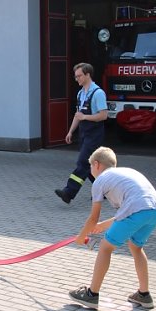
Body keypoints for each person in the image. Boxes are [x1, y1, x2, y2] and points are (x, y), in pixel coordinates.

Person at [69, 146, 156, 310]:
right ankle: (144, 294)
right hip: (155, 210)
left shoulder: (100, 180)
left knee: (105, 248)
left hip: (137, 210)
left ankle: (92, 295)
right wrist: (101, 226)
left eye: (91, 166)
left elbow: (93, 217)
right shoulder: (126, 173)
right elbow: (130, 212)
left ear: (97, 164)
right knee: (136, 246)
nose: (90, 170)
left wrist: (80, 236)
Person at [55, 62, 108, 204]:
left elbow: (103, 115)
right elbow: (78, 115)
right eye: (75, 76)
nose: (76, 79)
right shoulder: (80, 93)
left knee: (83, 162)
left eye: (79, 76)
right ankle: (104, 191)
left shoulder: (98, 93)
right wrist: (71, 131)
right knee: (91, 166)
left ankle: (68, 192)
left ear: (87, 75)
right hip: (83, 133)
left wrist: (85, 117)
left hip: (95, 134)